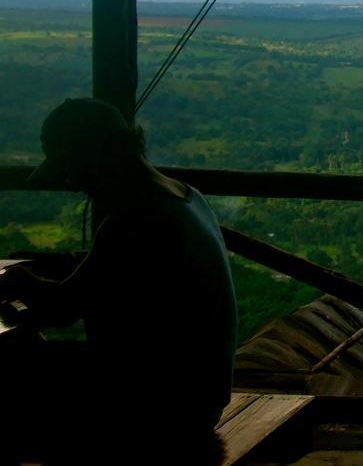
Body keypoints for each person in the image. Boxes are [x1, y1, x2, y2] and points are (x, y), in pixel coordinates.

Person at [0, 98, 237, 463]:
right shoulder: (185, 197)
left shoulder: (137, 216)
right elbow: (124, 271)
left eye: (69, 168)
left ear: (92, 155)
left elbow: (62, 308)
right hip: (197, 397)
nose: (70, 181)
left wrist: (18, 278)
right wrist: (67, 264)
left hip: (157, 409)